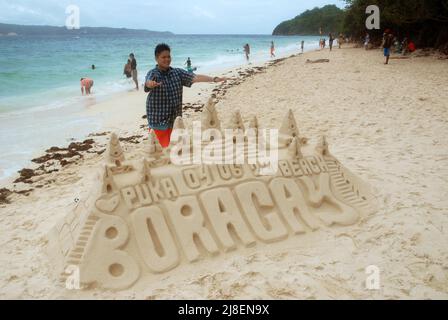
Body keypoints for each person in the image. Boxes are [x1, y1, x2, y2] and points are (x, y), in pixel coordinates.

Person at [144, 43, 228, 148]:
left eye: (168, 56)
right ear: (157, 58)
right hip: (158, 120)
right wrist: (150, 84)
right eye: (163, 57)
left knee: (175, 149)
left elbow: (195, 77)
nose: (167, 59)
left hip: (174, 119)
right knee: (161, 151)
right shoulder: (153, 73)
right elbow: (147, 82)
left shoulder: (177, 73)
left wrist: (214, 79)